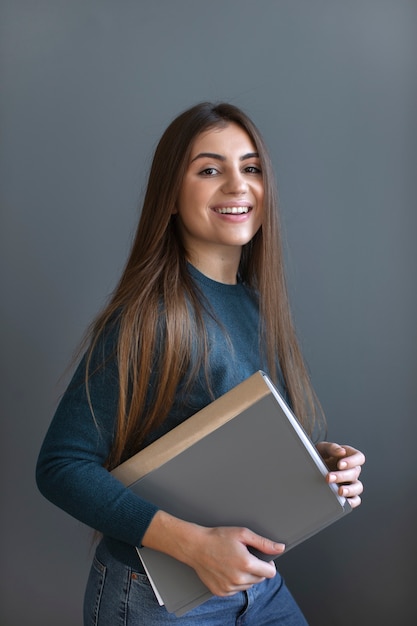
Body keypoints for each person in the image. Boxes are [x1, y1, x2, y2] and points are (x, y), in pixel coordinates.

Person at [36, 102, 365, 626]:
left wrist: (313, 465)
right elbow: (60, 467)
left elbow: (224, 441)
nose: (238, 185)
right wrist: (193, 547)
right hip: (155, 597)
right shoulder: (151, 317)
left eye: (251, 167)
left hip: (253, 582)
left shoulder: (254, 304)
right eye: (210, 169)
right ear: (170, 195)